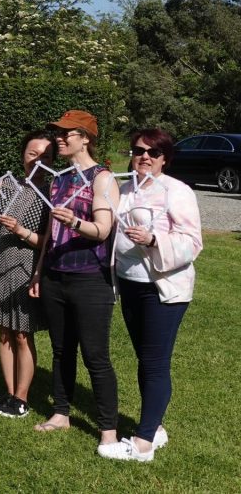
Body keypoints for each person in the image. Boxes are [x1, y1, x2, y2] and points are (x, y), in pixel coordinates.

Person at [103, 128, 203, 462]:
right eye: (138, 150)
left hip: (163, 288)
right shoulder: (124, 189)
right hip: (129, 284)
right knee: (145, 360)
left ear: (165, 158)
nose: (145, 156)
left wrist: (153, 241)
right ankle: (156, 427)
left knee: (155, 362)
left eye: (153, 152)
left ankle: (143, 443)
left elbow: (192, 242)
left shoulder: (178, 191)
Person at [28, 110, 120, 457]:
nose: (60, 138)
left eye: (67, 133)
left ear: (86, 138)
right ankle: (61, 413)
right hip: (55, 275)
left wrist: (76, 222)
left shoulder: (103, 179)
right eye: (58, 133)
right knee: (62, 350)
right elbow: (51, 234)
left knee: (96, 355)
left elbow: (102, 231)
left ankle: (108, 429)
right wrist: (39, 272)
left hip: (90, 279)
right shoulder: (60, 178)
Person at [0, 130, 54, 418]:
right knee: (4, 332)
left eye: (46, 156)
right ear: (23, 154)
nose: (38, 160)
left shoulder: (52, 193)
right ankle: (8, 392)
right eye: (33, 154)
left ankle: (21, 398)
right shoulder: (4, 185)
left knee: (22, 334)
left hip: (27, 266)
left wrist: (21, 231)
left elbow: (49, 241)